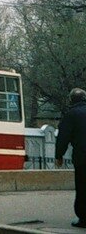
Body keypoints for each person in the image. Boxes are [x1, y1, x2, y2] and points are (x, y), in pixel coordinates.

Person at [56, 87, 86, 228]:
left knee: (82, 187)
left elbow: (63, 137)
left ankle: (83, 218)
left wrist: (59, 155)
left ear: (71, 100)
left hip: (82, 157)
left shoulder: (71, 114)